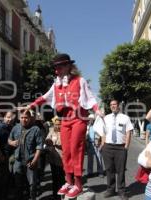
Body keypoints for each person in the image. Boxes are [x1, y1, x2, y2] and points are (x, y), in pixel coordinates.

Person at [22, 53, 101, 199]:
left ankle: (78, 184)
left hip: (78, 119)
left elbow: (90, 97)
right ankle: (69, 182)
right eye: (55, 68)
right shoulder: (56, 84)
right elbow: (45, 97)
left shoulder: (79, 80)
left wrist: (97, 110)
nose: (56, 71)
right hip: (64, 120)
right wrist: (31, 106)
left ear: (68, 66)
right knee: (66, 153)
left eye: (59, 67)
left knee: (75, 150)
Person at [99, 100, 133, 200]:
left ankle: (122, 191)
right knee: (109, 169)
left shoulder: (125, 118)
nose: (113, 106)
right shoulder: (106, 118)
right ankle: (111, 189)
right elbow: (103, 133)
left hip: (120, 147)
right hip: (108, 147)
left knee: (121, 170)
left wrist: (126, 146)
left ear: (118, 106)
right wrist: (102, 145)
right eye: (111, 105)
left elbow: (128, 132)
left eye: (114, 104)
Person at [8, 110, 43, 200]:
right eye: (22, 117)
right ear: (19, 118)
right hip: (18, 160)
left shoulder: (36, 129)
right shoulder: (15, 128)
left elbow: (39, 147)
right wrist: (12, 142)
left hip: (30, 161)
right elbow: (9, 139)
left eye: (26, 117)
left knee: (32, 185)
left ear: (30, 118)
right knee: (18, 184)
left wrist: (35, 161)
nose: (24, 119)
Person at [0, 111, 14, 200]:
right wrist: (0, 155)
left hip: (11, 155)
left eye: (11, 117)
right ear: (4, 117)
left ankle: (5, 195)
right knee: (3, 178)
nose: (9, 119)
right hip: (3, 155)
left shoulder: (12, 127)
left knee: (8, 177)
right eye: (8, 117)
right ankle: (1, 196)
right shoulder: (0, 127)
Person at [45, 116, 65, 200]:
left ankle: (62, 195)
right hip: (52, 159)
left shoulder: (64, 132)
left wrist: (57, 145)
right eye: (56, 124)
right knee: (54, 178)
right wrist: (48, 142)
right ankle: (55, 195)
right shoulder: (51, 131)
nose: (57, 126)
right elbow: (47, 140)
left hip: (62, 159)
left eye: (59, 124)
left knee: (61, 178)